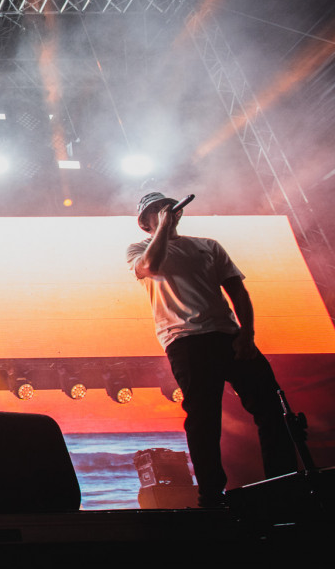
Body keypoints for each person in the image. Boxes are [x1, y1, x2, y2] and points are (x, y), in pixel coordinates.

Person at [126, 193, 296, 507]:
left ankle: (283, 482)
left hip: (229, 336)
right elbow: (151, 265)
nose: (165, 211)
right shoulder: (139, 250)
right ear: (144, 222)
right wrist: (162, 227)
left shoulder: (208, 245)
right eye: (156, 210)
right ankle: (211, 495)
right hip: (185, 340)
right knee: (204, 418)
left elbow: (237, 291)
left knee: (271, 407)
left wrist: (247, 334)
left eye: (167, 207)